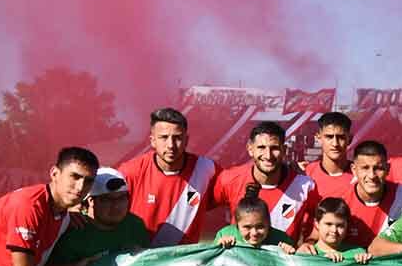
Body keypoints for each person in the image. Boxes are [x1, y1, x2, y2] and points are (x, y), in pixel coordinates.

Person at [118, 108, 220, 246]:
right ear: (152, 140)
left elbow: (238, 191)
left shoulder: (206, 169)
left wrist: (229, 232)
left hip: (183, 262)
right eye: (164, 137)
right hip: (140, 261)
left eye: (177, 137)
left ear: (186, 140)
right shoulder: (130, 171)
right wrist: (77, 212)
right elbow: (101, 208)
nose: (171, 145)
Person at [212, 121, 317, 244]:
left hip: (282, 260)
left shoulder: (305, 186)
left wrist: (309, 243)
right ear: (250, 149)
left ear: (284, 150)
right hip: (239, 260)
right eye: (261, 147)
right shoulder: (229, 179)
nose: (268, 155)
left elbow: (319, 224)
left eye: (274, 148)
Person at [340, 141, 402, 248]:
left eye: (378, 168)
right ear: (354, 170)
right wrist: (309, 244)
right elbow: (321, 242)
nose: (372, 175)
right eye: (365, 168)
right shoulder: (341, 201)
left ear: (388, 169)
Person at [213, 189, 296, 253]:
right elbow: (211, 263)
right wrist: (218, 247)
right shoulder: (224, 234)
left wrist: (289, 253)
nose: (254, 233)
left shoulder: (281, 239)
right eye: (247, 227)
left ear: (269, 224)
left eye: (260, 226)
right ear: (237, 225)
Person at [298, 197, 371, 263]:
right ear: (317, 224)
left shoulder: (358, 253)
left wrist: (365, 263)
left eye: (340, 226)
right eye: (328, 224)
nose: (334, 230)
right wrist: (323, 262)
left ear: (347, 226)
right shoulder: (307, 253)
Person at [303, 112, 354, 199]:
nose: (335, 143)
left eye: (341, 137)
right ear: (318, 138)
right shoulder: (305, 174)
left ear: (350, 139)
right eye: (329, 137)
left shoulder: (362, 176)